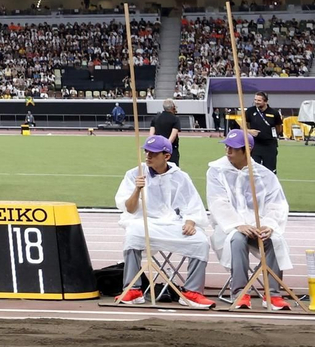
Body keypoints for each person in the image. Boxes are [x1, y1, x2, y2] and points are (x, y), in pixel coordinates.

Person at [114, 136, 213, 308]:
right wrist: (137, 189)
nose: (148, 156)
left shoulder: (180, 177)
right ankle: (133, 289)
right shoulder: (134, 174)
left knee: (201, 241)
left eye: (153, 153)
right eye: (146, 151)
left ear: (166, 156)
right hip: (145, 222)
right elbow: (129, 209)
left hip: (174, 224)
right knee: (132, 235)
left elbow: (193, 205)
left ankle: (192, 292)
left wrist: (191, 221)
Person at [206, 129, 292, 310]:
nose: (228, 152)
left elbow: (276, 204)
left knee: (274, 239)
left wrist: (269, 225)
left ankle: (273, 294)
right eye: (227, 147)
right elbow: (217, 202)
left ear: (247, 150)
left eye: (233, 148)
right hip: (229, 225)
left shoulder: (265, 175)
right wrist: (237, 224)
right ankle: (240, 292)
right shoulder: (216, 171)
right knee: (237, 239)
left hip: (258, 223)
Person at [244, 92, 284, 172]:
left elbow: (279, 127)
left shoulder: (274, 113)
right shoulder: (250, 111)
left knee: (270, 170)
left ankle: (269, 184)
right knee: (254, 170)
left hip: (270, 145)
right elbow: (244, 125)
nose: (256, 102)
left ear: (265, 101)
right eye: (255, 100)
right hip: (255, 145)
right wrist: (249, 131)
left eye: (259, 100)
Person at [148, 99, 182, 165]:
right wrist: (166, 147)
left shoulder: (156, 118)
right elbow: (173, 135)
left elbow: (151, 135)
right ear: (173, 107)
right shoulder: (175, 119)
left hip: (157, 148)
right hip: (170, 149)